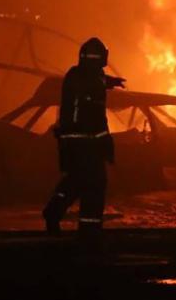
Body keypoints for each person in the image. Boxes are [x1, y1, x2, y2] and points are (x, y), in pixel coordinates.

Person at [42, 37, 125, 234]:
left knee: (76, 182)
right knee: (94, 185)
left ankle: (53, 212)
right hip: (85, 144)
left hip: (77, 143)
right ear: (101, 57)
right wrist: (105, 143)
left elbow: (93, 81)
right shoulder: (87, 81)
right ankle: (89, 230)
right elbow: (94, 118)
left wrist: (110, 82)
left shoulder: (79, 75)